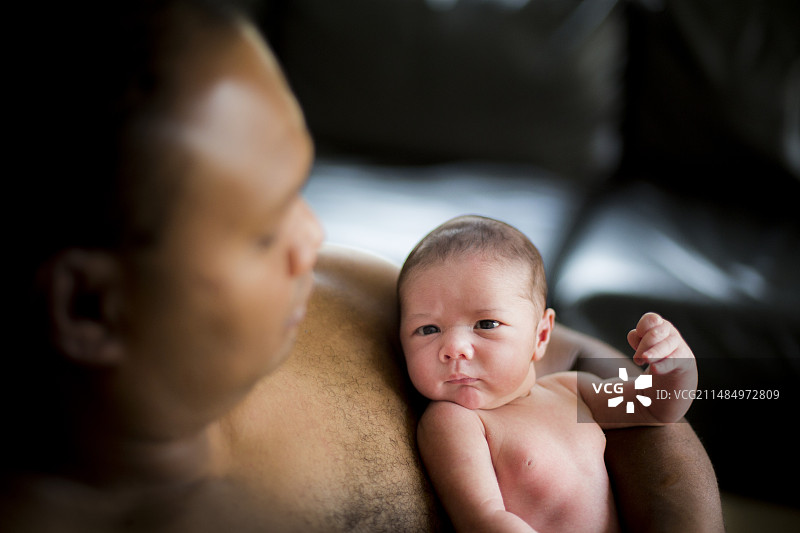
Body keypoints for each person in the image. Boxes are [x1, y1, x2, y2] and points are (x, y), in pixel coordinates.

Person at [4, 1, 723, 531]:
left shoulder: (356, 296)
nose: (313, 239)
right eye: (261, 230)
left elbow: (604, 378)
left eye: (299, 193)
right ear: (90, 307)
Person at [398, 215, 699, 532]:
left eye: (485, 324)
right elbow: (484, 520)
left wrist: (676, 362)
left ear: (541, 336)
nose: (454, 347)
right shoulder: (454, 421)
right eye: (427, 329)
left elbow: (656, 406)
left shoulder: (574, 392)